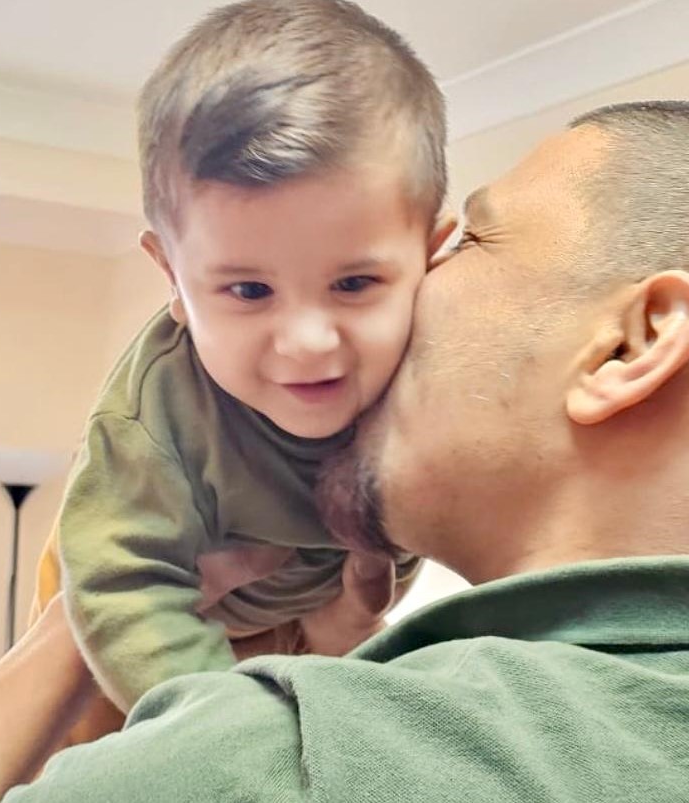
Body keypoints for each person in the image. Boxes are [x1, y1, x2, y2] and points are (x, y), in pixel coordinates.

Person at [0, 100, 689, 801]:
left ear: (633, 343)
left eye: (465, 243)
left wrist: (73, 627)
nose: (397, 302)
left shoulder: (268, 758)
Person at [27, 0, 455, 743]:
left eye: (355, 284)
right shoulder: (155, 413)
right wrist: (228, 729)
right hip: (125, 612)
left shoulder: (441, 362)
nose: (309, 342)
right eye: (250, 291)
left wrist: (339, 623)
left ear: (433, 259)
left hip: (302, 613)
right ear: (174, 282)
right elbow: (124, 586)